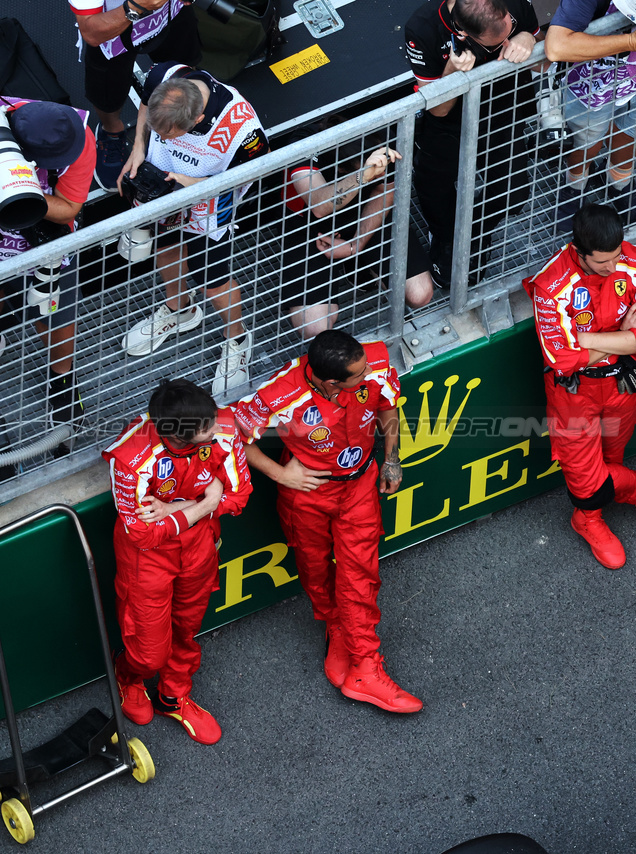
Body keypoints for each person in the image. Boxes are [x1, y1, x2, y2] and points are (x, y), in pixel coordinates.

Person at [233, 329, 421, 713]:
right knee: (314, 569)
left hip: (360, 488)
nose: (367, 375)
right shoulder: (279, 392)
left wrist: (391, 457)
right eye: (358, 376)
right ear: (330, 381)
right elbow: (234, 436)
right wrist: (280, 474)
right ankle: (336, 626)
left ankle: (366, 670)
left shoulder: (375, 362)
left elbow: (387, 405)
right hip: (307, 495)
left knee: (359, 575)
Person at [103, 378, 252, 744]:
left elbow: (239, 496)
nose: (219, 426)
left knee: (185, 629)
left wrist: (176, 508)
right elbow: (142, 535)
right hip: (148, 561)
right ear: (181, 437)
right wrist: (202, 504)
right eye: (208, 427)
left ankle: (172, 696)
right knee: (149, 653)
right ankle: (128, 674)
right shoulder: (132, 458)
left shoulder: (224, 427)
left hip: (199, 548)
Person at [522, 203, 636, 570]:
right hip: (573, 393)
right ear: (578, 251)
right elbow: (561, 358)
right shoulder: (551, 284)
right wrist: (622, 337)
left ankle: (600, 507)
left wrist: (589, 340)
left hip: (623, 384)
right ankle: (629, 495)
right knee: (587, 478)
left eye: (616, 257)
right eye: (603, 263)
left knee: (610, 459)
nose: (613, 267)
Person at [118, 62, 270, 397]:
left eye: (168, 133)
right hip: (163, 190)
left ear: (197, 120)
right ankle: (180, 310)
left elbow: (256, 170)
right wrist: (139, 149)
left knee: (211, 279)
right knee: (164, 248)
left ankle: (238, 339)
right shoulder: (165, 75)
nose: (162, 136)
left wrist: (196, 183)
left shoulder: (244, 129)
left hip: (211, 204)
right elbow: (145, 105)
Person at [405, 0, 539, 289]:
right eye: (498, 44)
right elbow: (437, 110)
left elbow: (543, 55)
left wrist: (527, 37)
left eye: (510, 29)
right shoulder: (423, 28)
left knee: (512, 194)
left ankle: (474, 234)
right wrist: (453, 70)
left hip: (504, 111)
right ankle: (446, 237)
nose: (508, 40)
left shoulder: (512, 6)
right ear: (465, 35)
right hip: (448, 122)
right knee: (434, 187)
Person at [0, 99, 95, 453]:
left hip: (46, 248)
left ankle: (62, 382)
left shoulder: (76, 133)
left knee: (53, 314)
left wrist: (17, 191)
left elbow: (70, 207)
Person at [545, 0, 636, 229]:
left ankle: (618, 181)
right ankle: (574, 185)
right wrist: (631, 41)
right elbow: (555, 47)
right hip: (591, 84)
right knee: (585, 141)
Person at [282, 143, 434, 337]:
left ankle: (362, 264)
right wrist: (364, 174)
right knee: (314, 328)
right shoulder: (305, 136)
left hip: (366, 210)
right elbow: (319, 206)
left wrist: (355, 245)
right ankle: (357, 264)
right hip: (309, 224)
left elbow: (384, 191)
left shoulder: (385, 127)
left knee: (419, 294)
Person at [69, 0, 202, 189]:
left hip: (172, 11)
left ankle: (179, 120)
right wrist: (136, 7)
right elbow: (91, 31)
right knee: (108, 92)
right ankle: (111, 130)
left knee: (183, 70)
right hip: (113, 26)